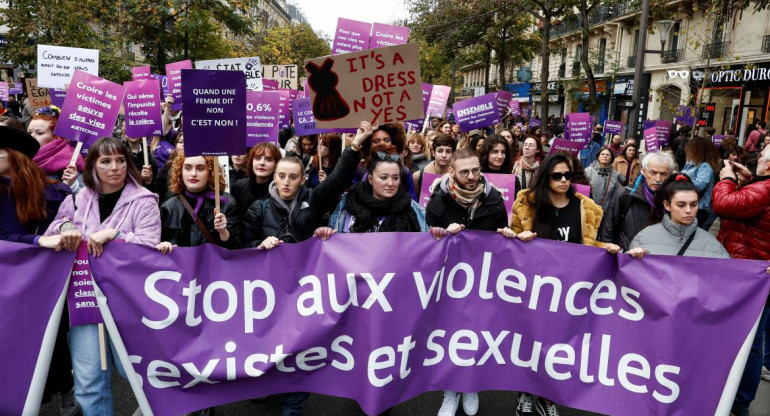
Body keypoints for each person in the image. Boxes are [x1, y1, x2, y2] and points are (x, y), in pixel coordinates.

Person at [44, 137, 161, 415]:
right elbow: (54, 231)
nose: (115, 167)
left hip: (130, 304)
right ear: (93, 166)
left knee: (144, 375)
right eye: (106, 161)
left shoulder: (145, 201)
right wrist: (66, 225)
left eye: (120, 160)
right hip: (85, 302)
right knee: (89, 382)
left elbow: (150, 246)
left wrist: (116, 235)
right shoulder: (78, 198)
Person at [511, 153, 620, 416]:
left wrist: (610, 247)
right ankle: (525, 391)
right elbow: (510, 243)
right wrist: (518, 237)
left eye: (568, 175)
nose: (563, 180)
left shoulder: (586, 207)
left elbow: (590, 247)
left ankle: (547, 398)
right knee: (530, 343)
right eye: (557, 175)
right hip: (534, 288)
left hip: (569, 292)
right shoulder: (526, 204)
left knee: (558, 346)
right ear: (545, 176)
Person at [0, 127, 80, 415]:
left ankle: (66, 392)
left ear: (16, 155)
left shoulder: (55, 191)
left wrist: (68, 227)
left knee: (52, 340)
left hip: (44, 283)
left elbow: (70, 222)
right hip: (5, 283)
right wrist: (36, 241)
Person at [242, 122, 368, 248]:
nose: (286, 182)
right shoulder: (259, 208)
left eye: (293, 177)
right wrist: (260, 245)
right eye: (281, 176)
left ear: (302, 179)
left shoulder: (313, 199)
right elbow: (244, 246)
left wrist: (355, 145)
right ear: (275, 178)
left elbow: (337, 180)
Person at [712, 146, 770, 416]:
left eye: (761, 156)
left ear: (768, 165)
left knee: (748, 340)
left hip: (749, 275)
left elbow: (723, 204)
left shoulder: (766, 189)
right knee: (750, 339)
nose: (757, 158)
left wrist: (727, 179)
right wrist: (750, 182)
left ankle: (739, 402)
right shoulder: (762, 187)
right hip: (755, 271)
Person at [325, 143, 428, 234]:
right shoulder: (349, 206)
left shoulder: (412, 209)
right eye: (384, 177)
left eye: (395, 178)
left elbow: (423, 246)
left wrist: (436, 236)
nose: (390, 183)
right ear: (370, 179)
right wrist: (326, 235)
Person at [627, 174, 728, 258]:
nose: (688, 210)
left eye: (693, 204)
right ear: (667, 205)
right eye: (681, 205)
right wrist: (631, 258)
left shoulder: (713, 245)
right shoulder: (644, 238)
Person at [156, 152, 240, 250]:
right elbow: (159, 243)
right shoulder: (168, 207)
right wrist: (164, 245)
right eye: (188, 168)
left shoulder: (226, 202)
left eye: (200, 168)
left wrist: (223, 232)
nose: (193, 174)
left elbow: (236, 248)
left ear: (211, 172)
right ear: (180, 171)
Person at [599, 152, 676, 250]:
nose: (658, 179)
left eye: (663, 174)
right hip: (628, 256)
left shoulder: (675, 199)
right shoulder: (626, 194)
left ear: (671, 175)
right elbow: (608, 228)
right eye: (653, 173)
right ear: (644, 172)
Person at [28, 106, 84, 193]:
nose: (31, 137)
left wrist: (73, 186)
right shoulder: (22, 157)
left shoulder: (69, 163)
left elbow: (86, 201)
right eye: (29, 132)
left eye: (39, 133)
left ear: (56, 136)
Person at [354, 122, 417, 200]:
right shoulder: (359, 168)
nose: (382, 143)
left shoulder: (404, 171)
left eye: (387, 140)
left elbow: (412, 200)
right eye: (376, 141)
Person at [231, 143, 282, 218]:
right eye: (258, 158)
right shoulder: (239, 185)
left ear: (276, 164)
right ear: (251, 161)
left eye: (268, 160)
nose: (262, 163)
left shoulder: (279, 192)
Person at [680, 136, 720, 228]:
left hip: (698, 207)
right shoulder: (690, 164)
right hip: (687, 203)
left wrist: (684, 178)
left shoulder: (705, 166)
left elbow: (699, 186)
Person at [585, 146, 625, 213]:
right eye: (602, 154)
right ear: (598, 157)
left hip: (606, 211)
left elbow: (615, 196)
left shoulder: (615, 175)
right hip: (588, 209)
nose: (605, 156)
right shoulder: (588, 171)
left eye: (607, 155)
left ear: (611, 158)